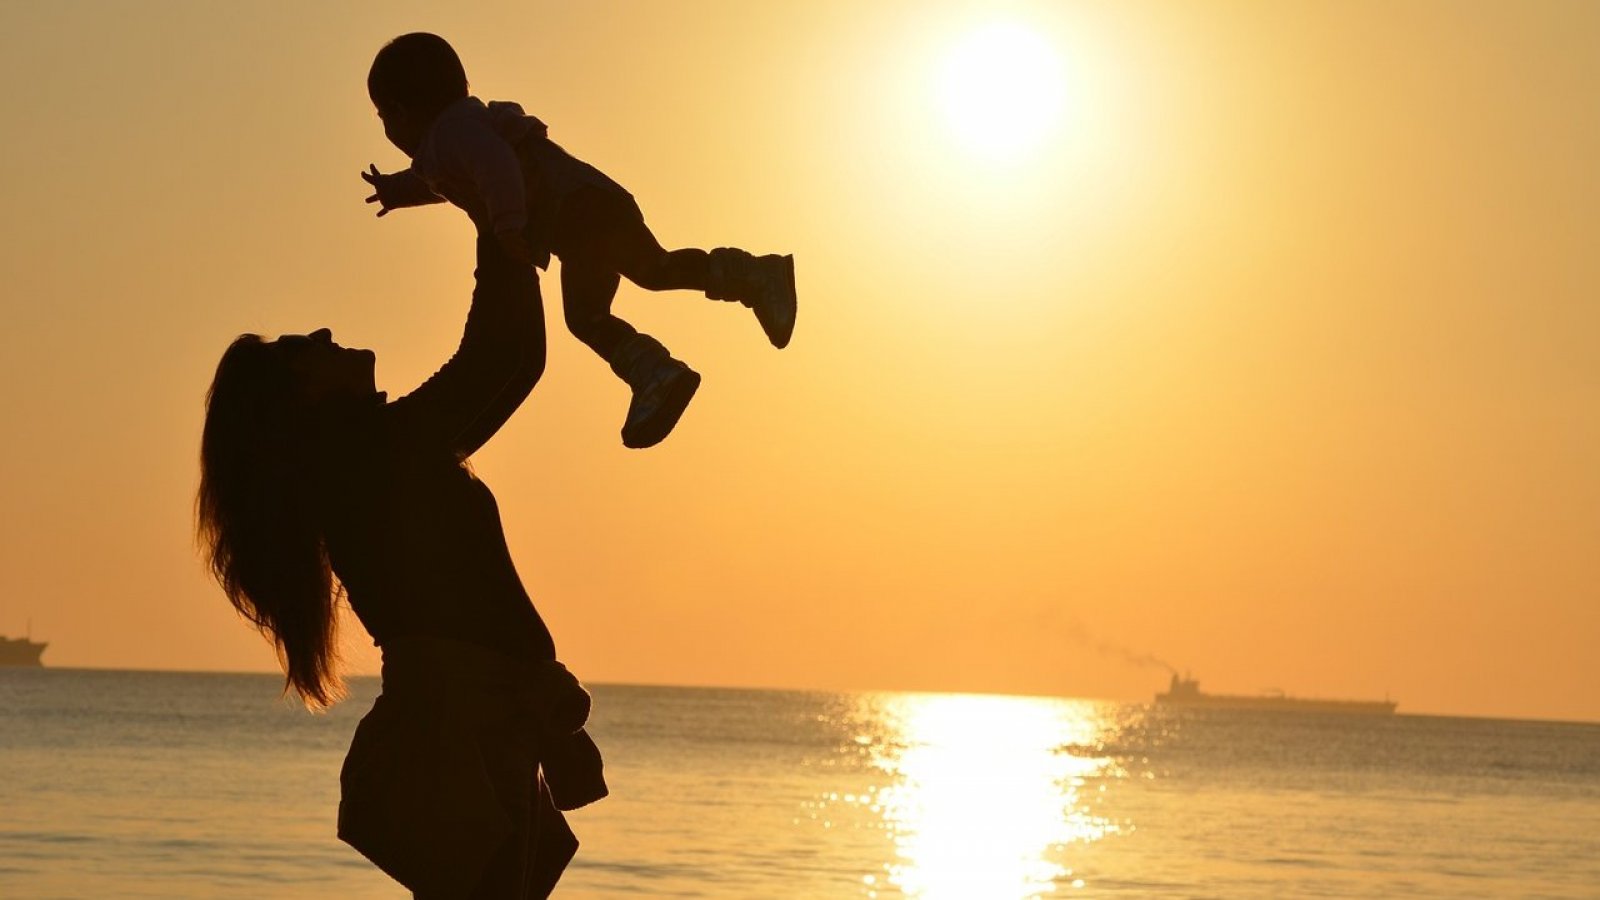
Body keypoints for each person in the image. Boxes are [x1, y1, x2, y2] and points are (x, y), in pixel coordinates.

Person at [197, 235, 603, 898]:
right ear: (297, 402)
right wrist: (495, 212)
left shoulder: (379, 456)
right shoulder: (371, 458)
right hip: (459, 737)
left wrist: (506, 223)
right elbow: (500, 359)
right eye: (303, 349)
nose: (326, 331)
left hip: (479, 733)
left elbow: (517, 362)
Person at [361, 31, 798, 449]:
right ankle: (666, 363)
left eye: (383, 118)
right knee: (630, 287)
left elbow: (495, 167)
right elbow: (440, 181)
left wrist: (509, 224)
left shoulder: (454, 134)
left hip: (581, 210)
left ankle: (685, 344)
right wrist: (396, 192)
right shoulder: (452, 140)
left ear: (399, 112)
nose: (387, 130)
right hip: (580, 219)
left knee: (632, 285)